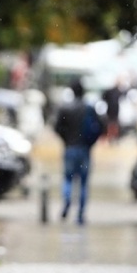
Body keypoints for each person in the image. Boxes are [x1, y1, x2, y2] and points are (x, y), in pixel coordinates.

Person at [53, 79, 103, 225]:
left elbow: (56, 127)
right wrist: (91, 142)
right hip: (84, 149)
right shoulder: (89, 108)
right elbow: (101, 126)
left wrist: (66, 139)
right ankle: (80, 214)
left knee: (68, 179)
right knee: (83, 183)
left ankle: (67, 202)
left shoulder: (65, 108)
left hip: (70, 148)